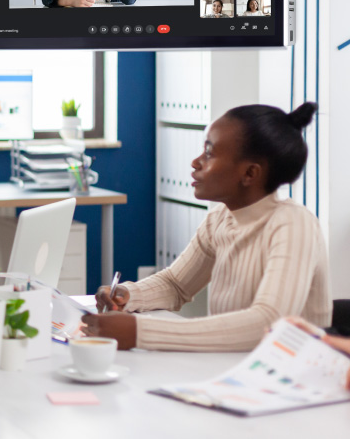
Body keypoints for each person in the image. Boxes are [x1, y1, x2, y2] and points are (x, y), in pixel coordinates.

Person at [83, 103, 331, 351]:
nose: (195, 162)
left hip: (293, 371)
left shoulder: (293, 224)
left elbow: (268, 323)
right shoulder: (219, 219)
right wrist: (127, 294)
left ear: (250, 173)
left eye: (209, 153)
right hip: (232, 366)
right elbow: (176, 285)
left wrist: (141, 332)